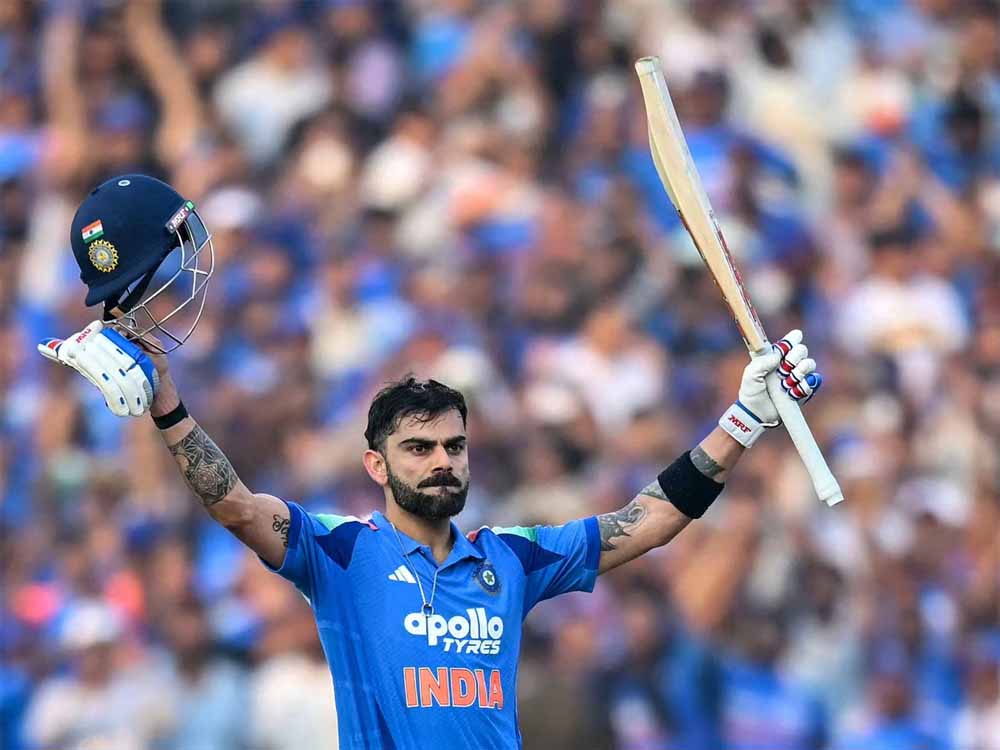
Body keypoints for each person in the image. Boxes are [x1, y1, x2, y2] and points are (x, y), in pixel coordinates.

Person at [38, 173, 823, 748]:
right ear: (376, 466)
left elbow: (648, 521)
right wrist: (168, 404)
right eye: (417, 449)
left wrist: (745, 418)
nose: (441, 461)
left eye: (453, 445)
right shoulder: (342, 555)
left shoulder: (510, 559)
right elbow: (235, 504)